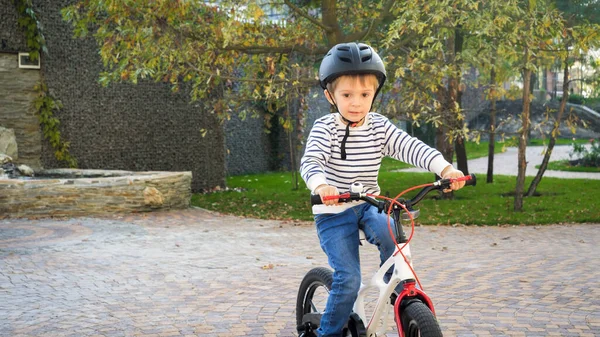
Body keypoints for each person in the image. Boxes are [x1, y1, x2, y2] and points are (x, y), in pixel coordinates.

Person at [299, 42, 465, 337]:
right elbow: (311, 161)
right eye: (347, 95)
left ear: (374, 94)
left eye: (365, 94)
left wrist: (445, 169)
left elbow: (410, 147)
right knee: (349, 279)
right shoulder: (325, 128)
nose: (356, 102)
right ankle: (328, 333)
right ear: (330, 95)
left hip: (370, 204)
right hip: (333, 211)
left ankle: (396, 287)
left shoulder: (378, 126)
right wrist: (321, 184)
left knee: (391, 231)